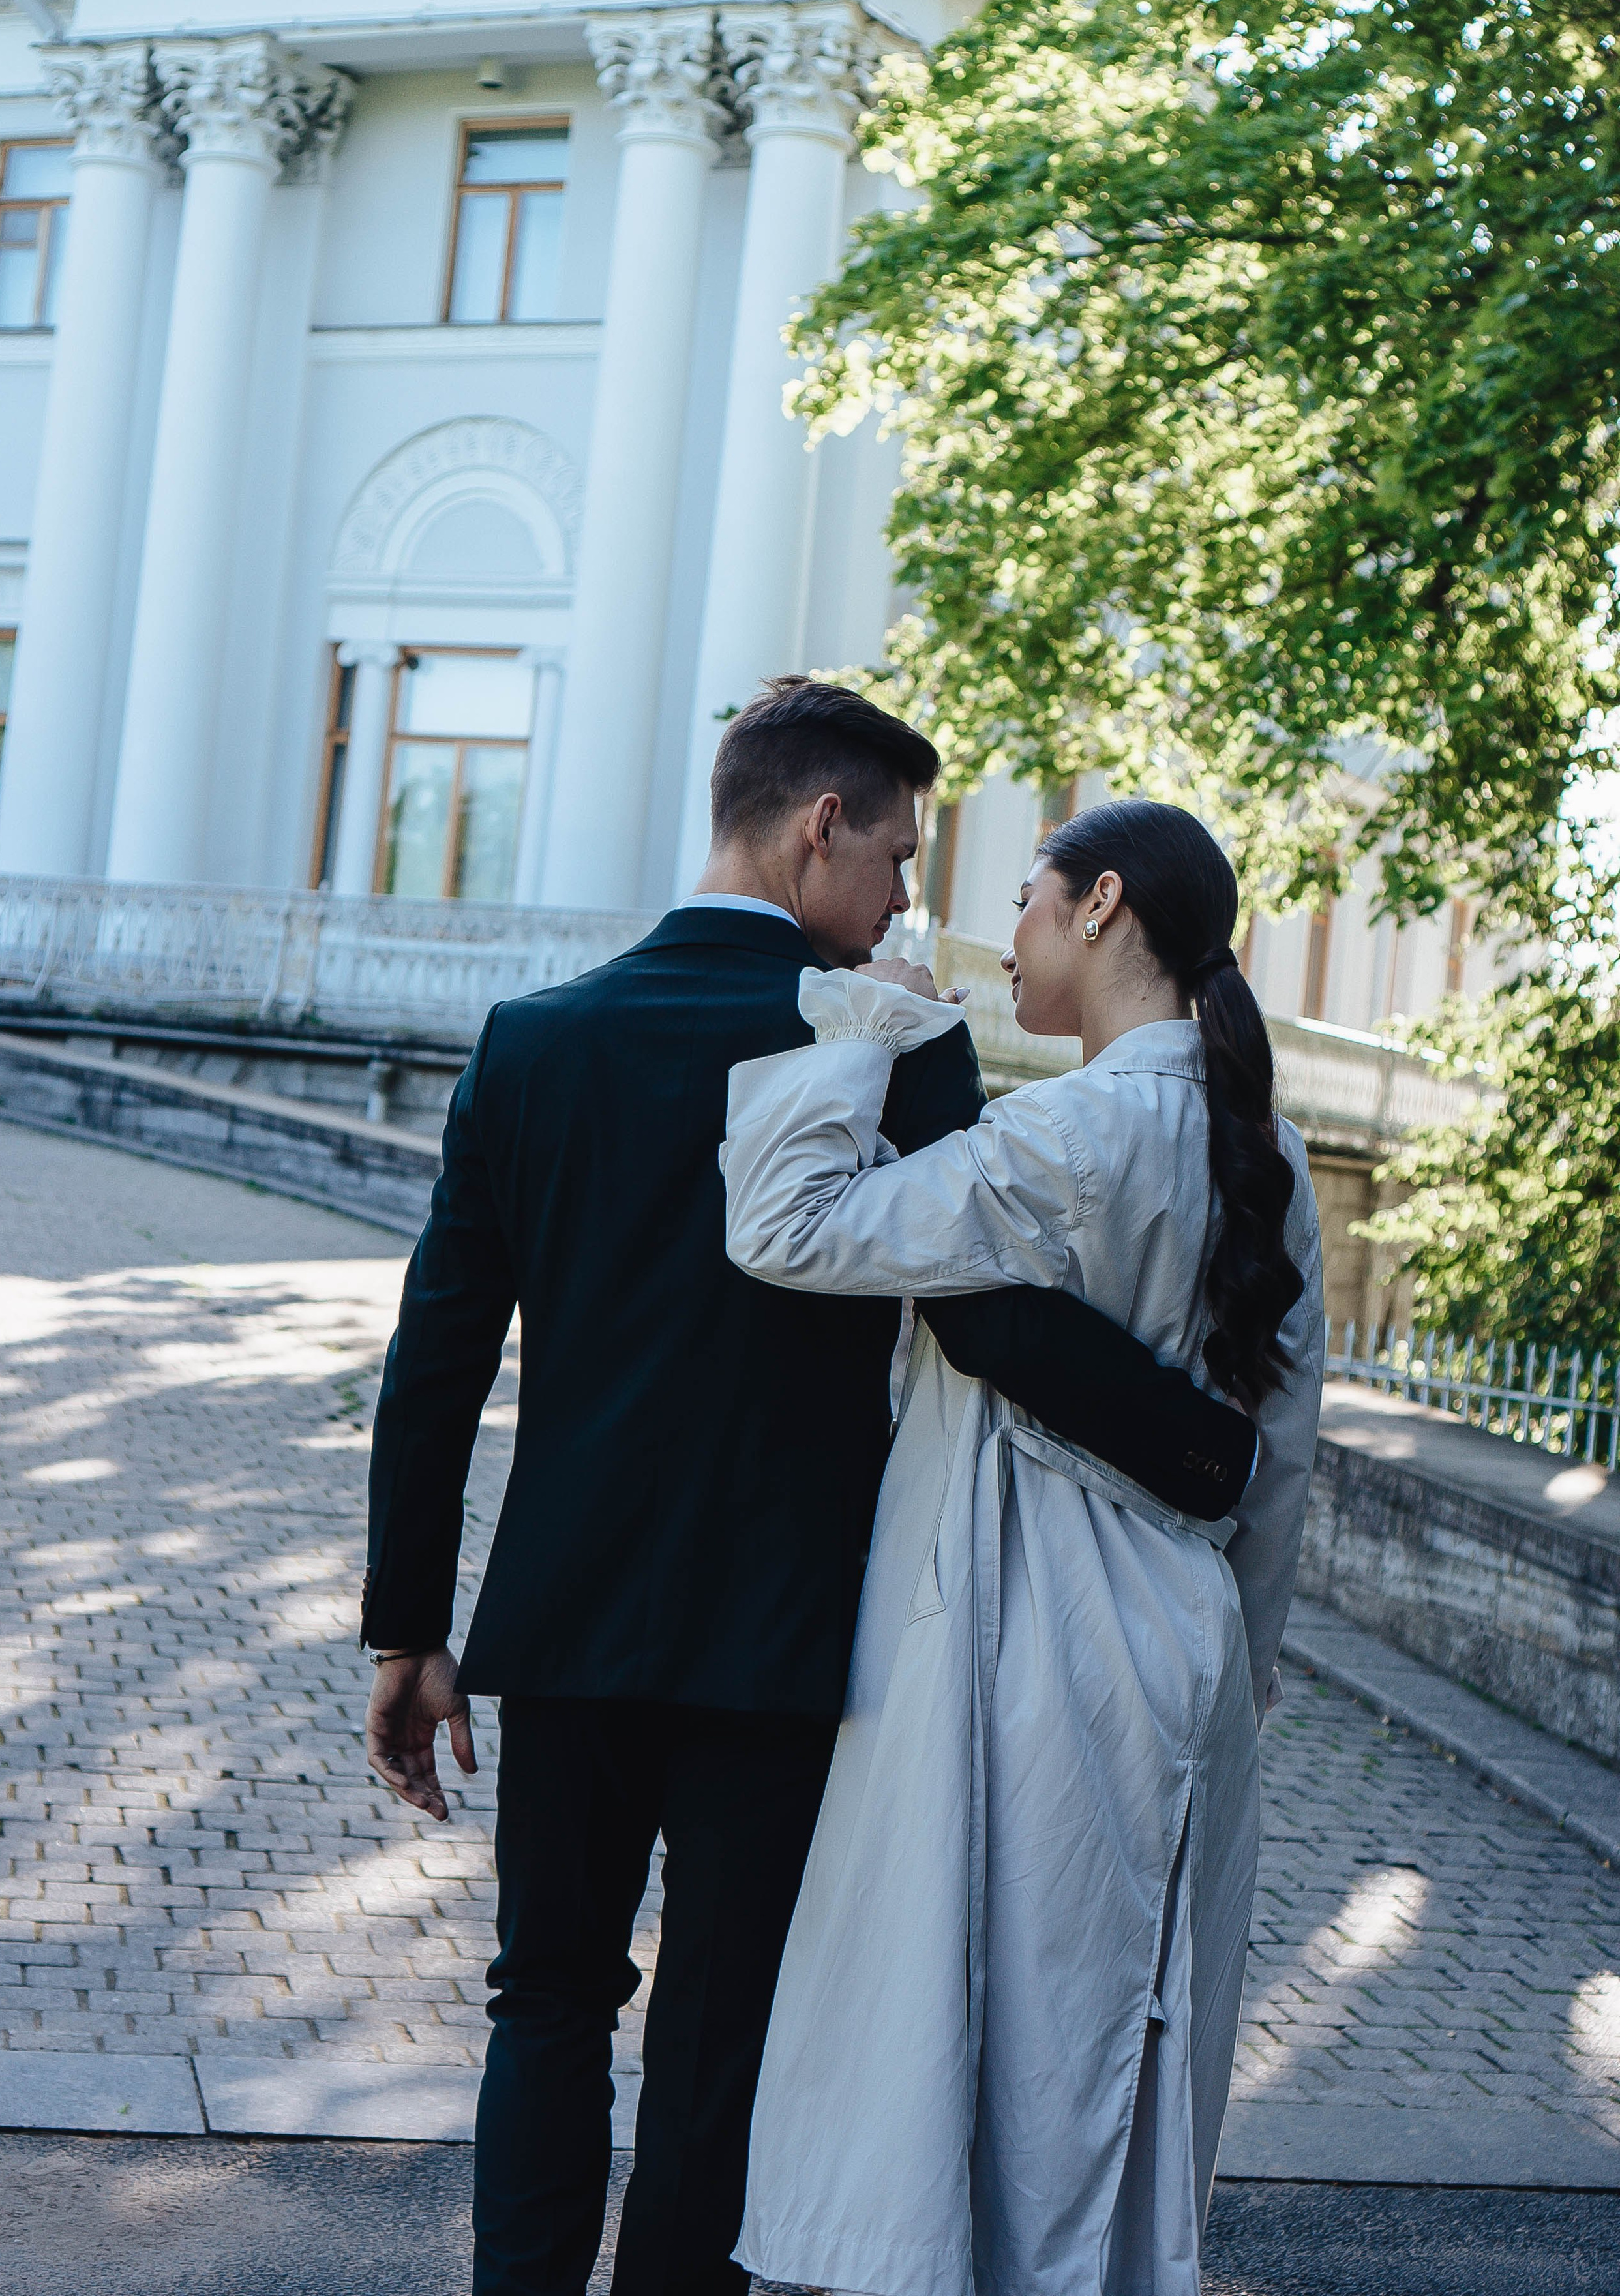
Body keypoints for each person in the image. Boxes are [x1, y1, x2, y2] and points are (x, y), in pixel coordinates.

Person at [359, 687, 1256, 2296]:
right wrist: (1203, 1450)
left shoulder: (536, 1041)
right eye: (899, 857)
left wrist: (404, 1629)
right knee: (722, 2021)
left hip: (565, 1616)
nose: (906, 903)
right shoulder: (892, 1044)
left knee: (543, 2000)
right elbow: (986, 1322)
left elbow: (437, 1360)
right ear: (816, 828)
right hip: (792, 1633)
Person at [721, 798, 1326, 2296]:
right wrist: (1240, 1659)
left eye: (1029, 901)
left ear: (1103, 904)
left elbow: (786, 1227)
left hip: (1027, 1621)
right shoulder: (1270, 1152)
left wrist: (865, 1028)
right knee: (1129, 2039)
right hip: (1180, 1635)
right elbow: (1282, 1458)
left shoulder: (1064, 1132)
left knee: (993, 2037)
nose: (1008, 938)